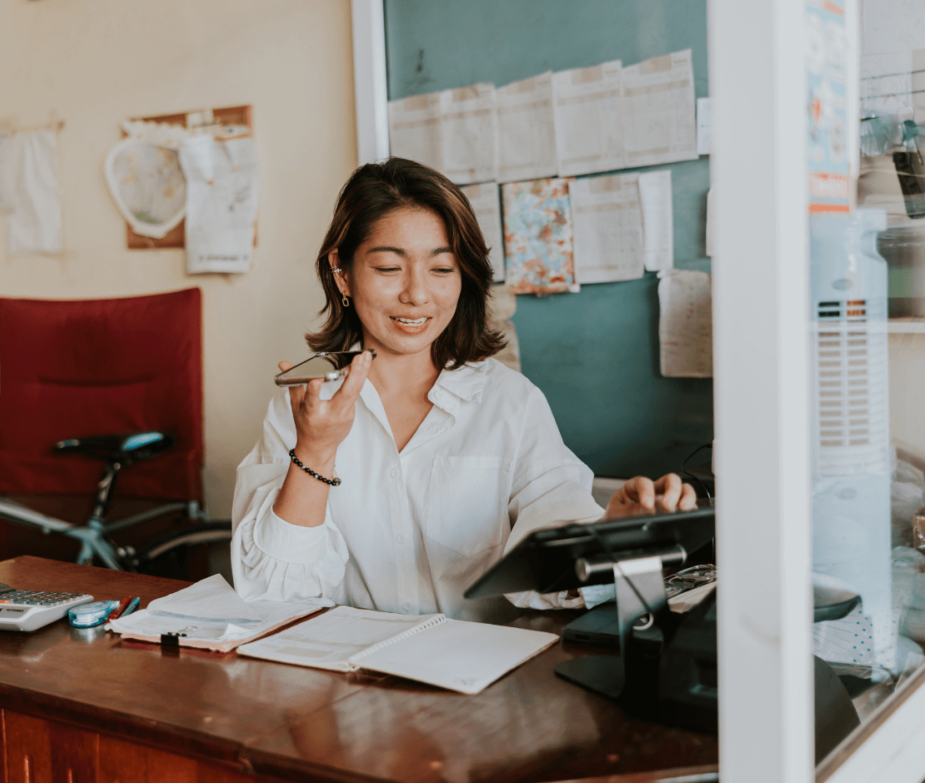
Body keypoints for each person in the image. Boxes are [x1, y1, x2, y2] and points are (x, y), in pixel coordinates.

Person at [232, 158, 696, 623]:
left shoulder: (510, 402)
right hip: (352, 680)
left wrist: (611, 532)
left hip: (485, 681)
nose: (417, 294)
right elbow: (273, 592)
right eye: (389, 267)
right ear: (343, 273)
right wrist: (313, 452)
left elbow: (555, 540)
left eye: (441, 269)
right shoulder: (305, 406)